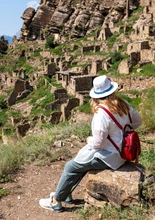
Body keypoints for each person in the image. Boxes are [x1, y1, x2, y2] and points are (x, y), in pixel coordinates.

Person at [39, 75, 142, 212]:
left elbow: (99, 143)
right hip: (124, 153)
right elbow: (137, 122)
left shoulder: (101, 113)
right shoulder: (124, 105)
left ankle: (56, 201)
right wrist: (120, 133)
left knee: (71, 166)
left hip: (110, 157)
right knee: (80, 163)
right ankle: (67, 194)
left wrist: (89, 140)